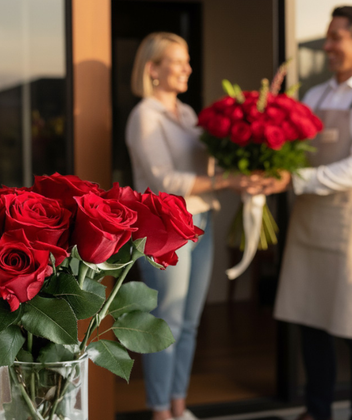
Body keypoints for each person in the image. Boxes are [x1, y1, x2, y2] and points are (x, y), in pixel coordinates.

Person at [265, 6, 352, 420]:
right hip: (311, 220)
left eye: (335, 38)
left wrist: (294, 180)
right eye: (326, 38)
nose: (326, 47)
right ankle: (317, 411)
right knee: (309, 319)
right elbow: (295, 152)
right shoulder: (316, 95)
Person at [125, 32, 258, 420]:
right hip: (168, 227)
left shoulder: (186, 114)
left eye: (187, 61)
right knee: (166, 322)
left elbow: (206, 166)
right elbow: (165, 181)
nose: (188, 68)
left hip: (201, 220)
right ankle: (159, 411)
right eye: (178, 61)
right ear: (153, 69)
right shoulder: (144, 117)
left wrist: (245, 162)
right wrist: (227, 182)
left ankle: (179, 405)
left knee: (189, 322)